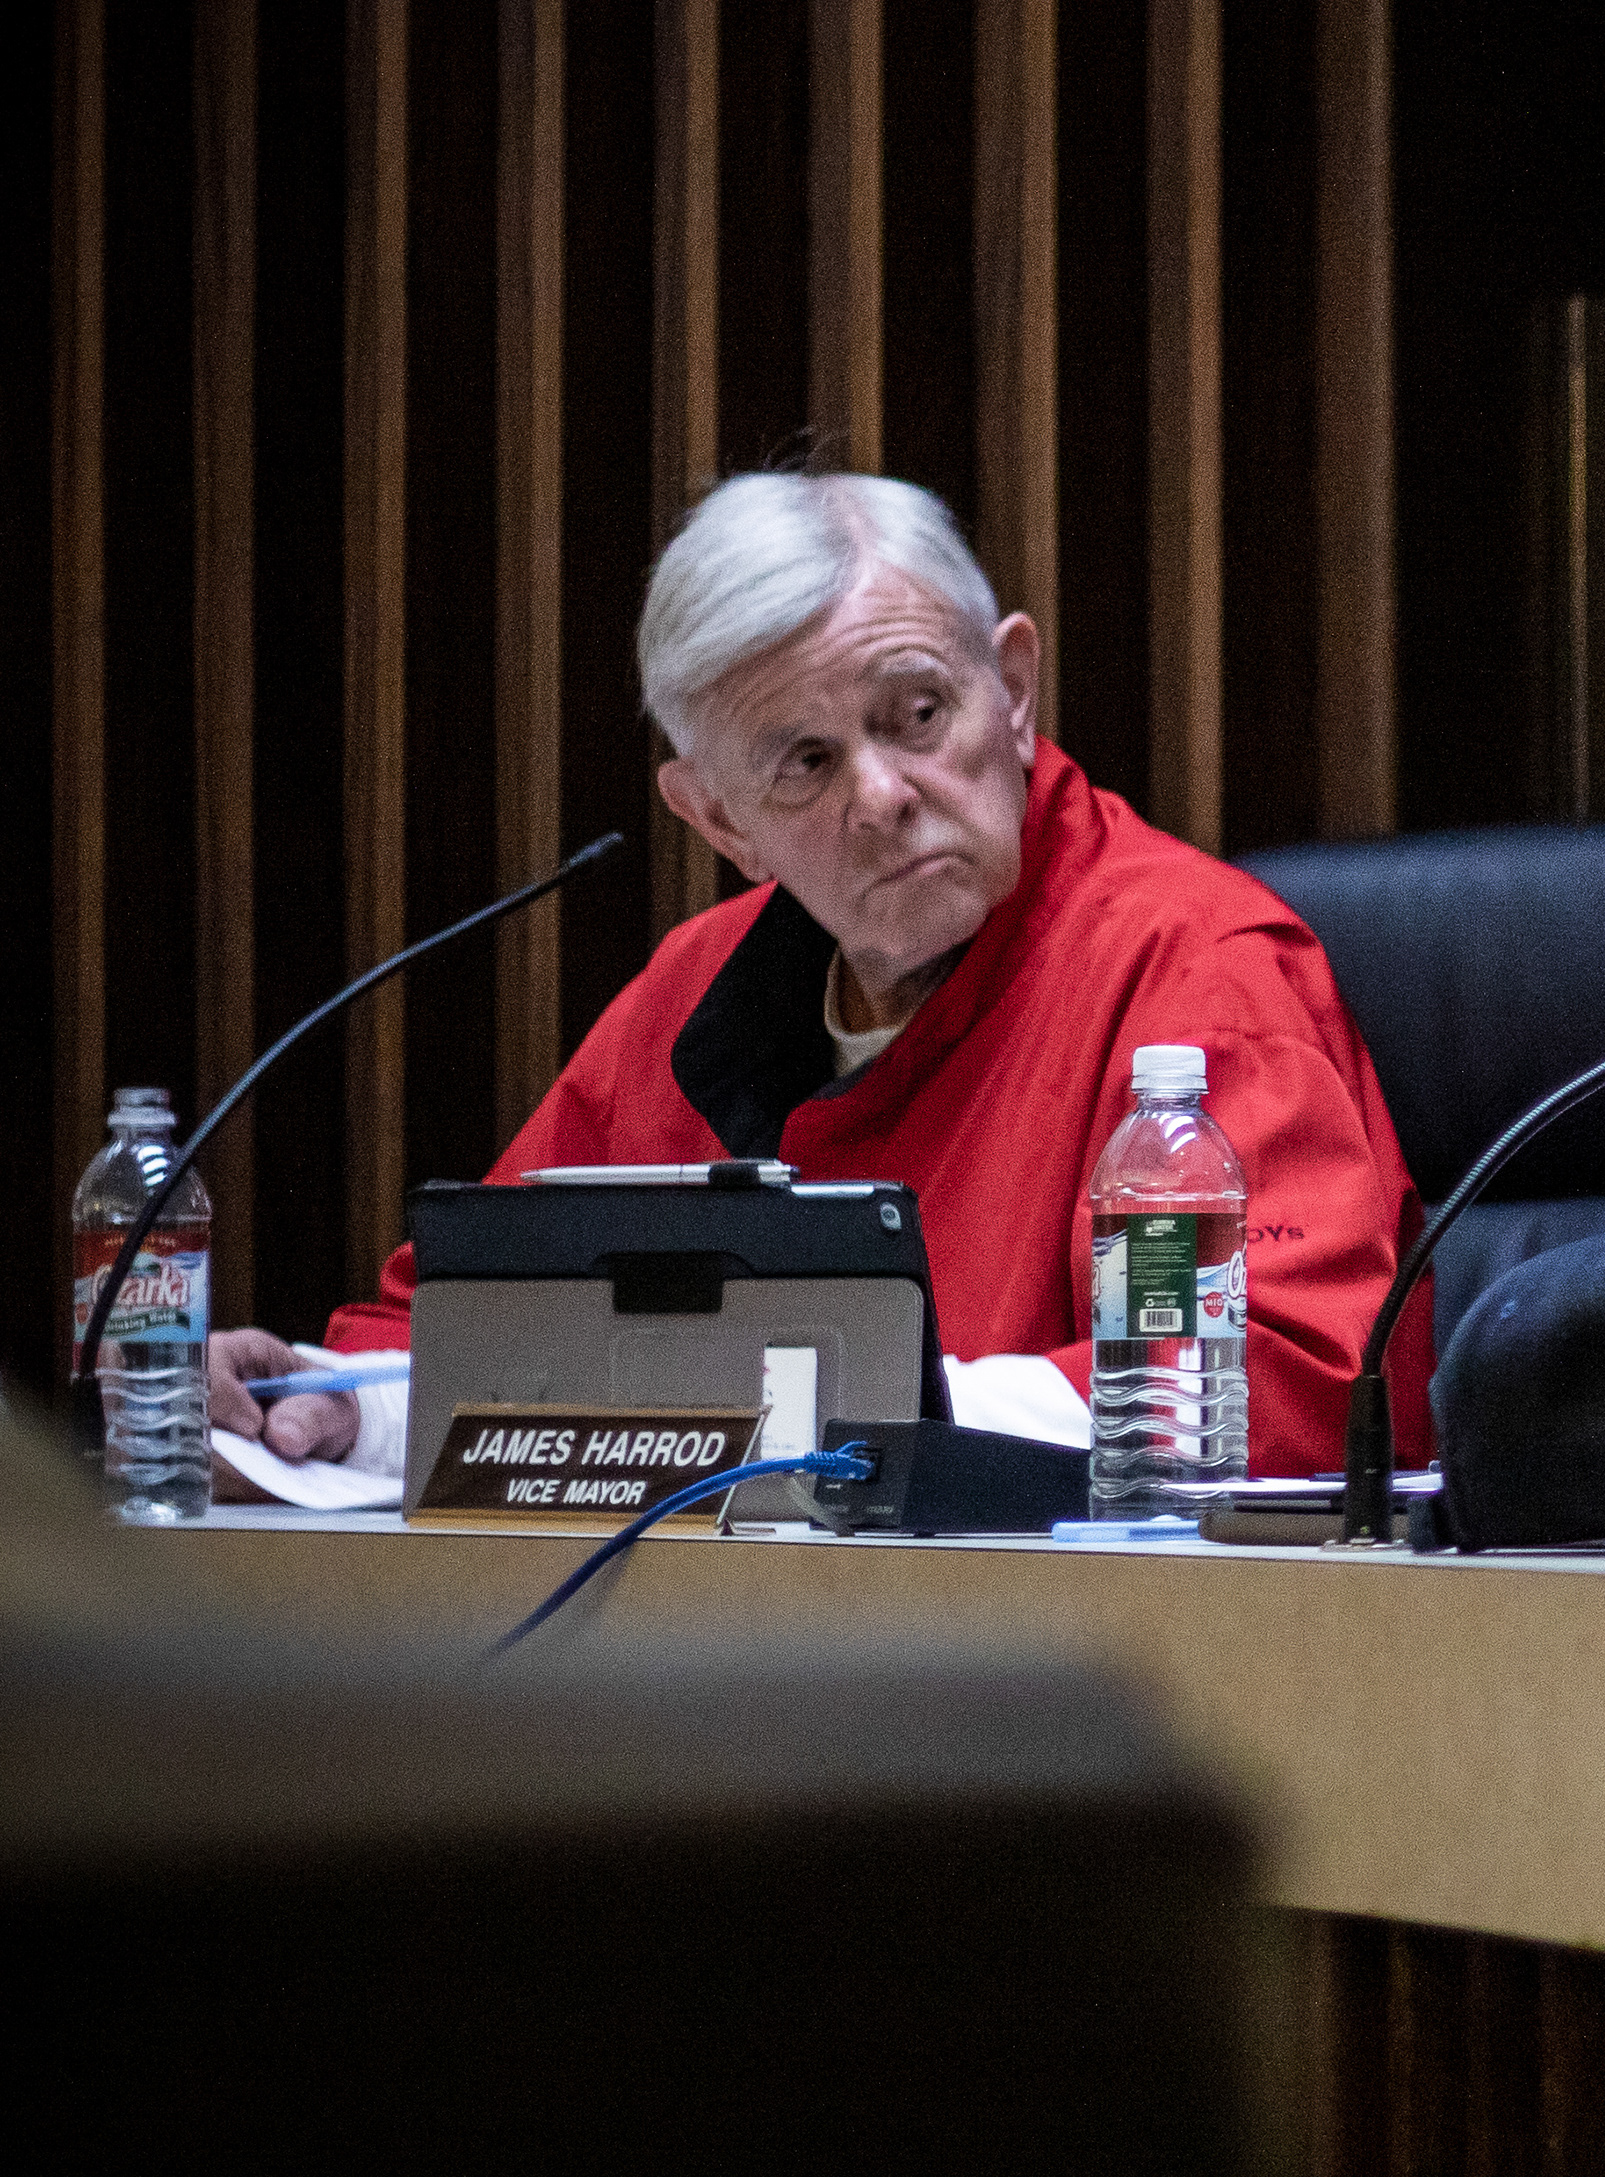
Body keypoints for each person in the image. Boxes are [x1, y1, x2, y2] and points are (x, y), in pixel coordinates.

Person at [209, 471, 1434, 1491]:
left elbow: (1284, 1384)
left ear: (1012, 694)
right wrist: (315, 1412)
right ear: (719, 820)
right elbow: (483, 1318)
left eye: (916, 714)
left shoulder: (1195, 967)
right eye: (804, 760)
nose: (885, 796)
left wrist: (871, 1422)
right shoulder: (697, 993)